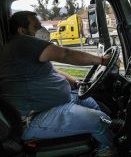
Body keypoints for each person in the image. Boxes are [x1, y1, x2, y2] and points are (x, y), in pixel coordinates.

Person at [0, 11, 116, 157]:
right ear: (21, 31)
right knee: (100, 121)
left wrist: (76, 83)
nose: (41, 30)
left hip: (51, 105)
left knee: (90, 102)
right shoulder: (22, 43)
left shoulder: (24, 50)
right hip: (35, 117)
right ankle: (108, 150)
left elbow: (52, 72)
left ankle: (97, 138)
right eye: (36, 27)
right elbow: (65, 54)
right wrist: (101, 60)